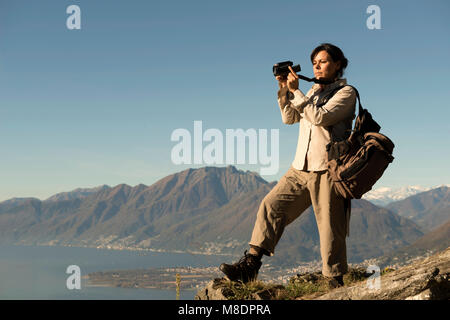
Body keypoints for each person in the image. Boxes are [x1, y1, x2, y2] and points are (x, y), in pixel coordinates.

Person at [219, 43, 356, 288]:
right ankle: (250, 265)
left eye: (323, 61)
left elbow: (320, 117)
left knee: (329, 227)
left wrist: (298, 93)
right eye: (314, 62)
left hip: (327, 168)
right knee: (271, 205)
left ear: (338, 64)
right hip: (300, 166)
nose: (316, 65)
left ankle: (334, 281)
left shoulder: (346, 93)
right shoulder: (312, 91)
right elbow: (289, 118)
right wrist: (285, 90)